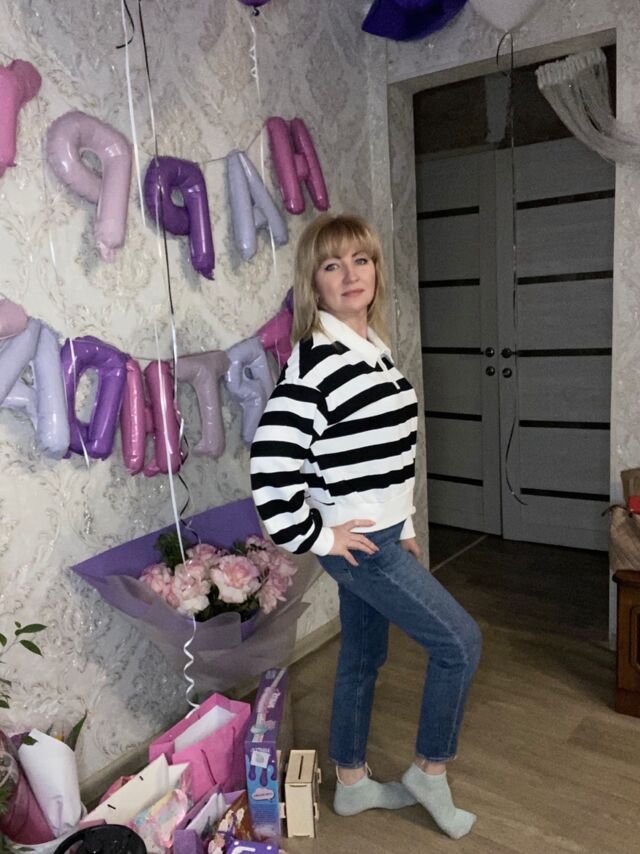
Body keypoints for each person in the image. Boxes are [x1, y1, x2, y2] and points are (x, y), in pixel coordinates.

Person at [250, 213, 481, 840]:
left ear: (376, 269)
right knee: (460, 644)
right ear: (314, 283)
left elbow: (389, 450)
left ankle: (350, 783)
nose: (351, 274)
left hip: (380, 533)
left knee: (361, 655)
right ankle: (430, 771)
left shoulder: (371, 348)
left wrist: (403, 520)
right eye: (332, 265)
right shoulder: (316, 364)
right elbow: (271, 468)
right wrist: (321, 537)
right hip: (357, 545)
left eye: (361, 260)